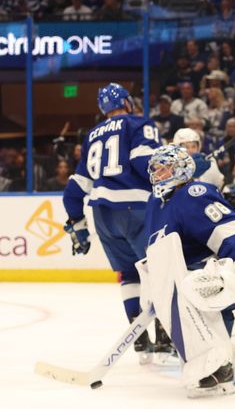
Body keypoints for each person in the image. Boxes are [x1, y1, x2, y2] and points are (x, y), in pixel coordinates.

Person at [142, 145, 235, 397]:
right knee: (191, 339)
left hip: (218, 277)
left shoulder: (192, 194)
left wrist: (233, 274)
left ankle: (220, 367)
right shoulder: (156, 203)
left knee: (196, 293)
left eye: (163, 168)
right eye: (155, 170)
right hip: (185, 281)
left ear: (181, 169)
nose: (157, 174)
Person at [61, 83, 162, 361]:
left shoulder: (92, 135)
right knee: (161, 271)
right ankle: (166, 338)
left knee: (129, 275)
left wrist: (78, 224)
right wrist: (175, 167)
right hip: (136, 211)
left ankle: (140, 341)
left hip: (103, 216)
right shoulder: (140, 123)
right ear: (128, 103)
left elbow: (74, 190)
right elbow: (145, 163)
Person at [172, 127, 235, 318]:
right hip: (188, 227)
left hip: (207, 223)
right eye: (185, 146)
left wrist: (227, 198)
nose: (191, 150)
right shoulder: (170, 167)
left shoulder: (208, 165)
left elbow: (218, 191)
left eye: (193, 145)